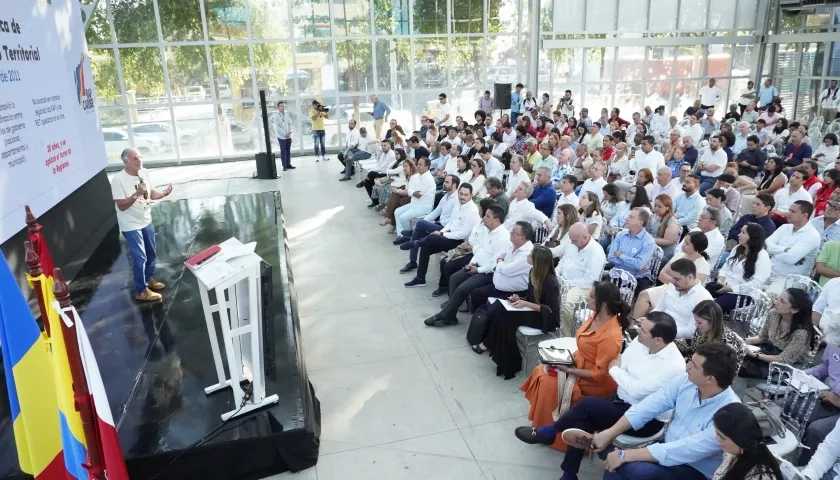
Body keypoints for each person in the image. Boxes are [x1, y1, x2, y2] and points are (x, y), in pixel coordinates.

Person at [514, 312, 684, 479]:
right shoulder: (641, 342)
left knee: (587, 405)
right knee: (582, 422)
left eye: (643, 330)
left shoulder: (674, 366)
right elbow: (621, 364)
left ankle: (550, 432)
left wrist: (616, 371)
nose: (637, 330)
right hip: (620, 401)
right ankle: (569, 474)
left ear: (658, 340)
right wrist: (622, 375)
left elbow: (631, 386)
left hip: (646, 420)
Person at [584, 342, 740, 480]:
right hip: (667, 447)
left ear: (710, 379)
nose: (687, 365)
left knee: (632, 468)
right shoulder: (687, 381)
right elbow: (650, 405)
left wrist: (624, 455)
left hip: (694, 468)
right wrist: (610, 433)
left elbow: (683, 450)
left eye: (694, 365)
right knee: (614, 464)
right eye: (691, 359)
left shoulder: (730, 413)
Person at [518, 282, 629, 452]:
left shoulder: (611, 335)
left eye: (591, 297)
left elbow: (598, 374)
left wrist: (569, 370)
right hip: (577, 364)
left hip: (593, 383)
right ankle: (542, 426)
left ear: (604, 304)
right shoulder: (596, 316)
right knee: (541, 371)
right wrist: (563, 359)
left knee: (548, 383)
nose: (587, 298)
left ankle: (551, 435)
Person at [477, 246, 560, 379]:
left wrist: (526, 304)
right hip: (533, 309)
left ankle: (508, 360)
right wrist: (519, 298)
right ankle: (500, 352)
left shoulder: (549, 282)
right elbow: (532, 296)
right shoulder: (533, 271)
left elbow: (550, 310)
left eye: (530, 256)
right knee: (501, 308)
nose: (527, 257)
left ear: (537, 261)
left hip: (545, 318)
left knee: (507, 316)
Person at [111, 148, 173, 302]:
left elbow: (151, 194)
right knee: (140, 257)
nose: (139, 161)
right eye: (135, 159)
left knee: (151, 253)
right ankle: (141, 290)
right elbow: (121, 206)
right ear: (126, 162)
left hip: (145, 220)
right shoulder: (118, 180)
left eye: (140, 157)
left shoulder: (144, 173)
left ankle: (148, 279)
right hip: (130, 225)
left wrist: (165, 193)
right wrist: (136, 194)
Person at [740, 288, 818, 378]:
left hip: (785, 366)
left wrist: (754, 355)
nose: (776, 302)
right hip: (769, 351)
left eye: (782, 301)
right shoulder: (774, 313)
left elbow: (783, 360)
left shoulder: (802, 333)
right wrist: (741, 341)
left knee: (737, 366)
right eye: (778, 298)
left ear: (795, 310)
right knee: (731, 356)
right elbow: (762, 337)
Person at [633, 259, 713, 339]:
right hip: (657, 330)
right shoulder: (673, 286)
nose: (672, 281)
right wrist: (649, 319)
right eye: (672, 278)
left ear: (690, 277)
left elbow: (691, 332)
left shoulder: (703, 298)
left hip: (675, 339)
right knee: (631, 333)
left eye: (677, 279)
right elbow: (659, 308)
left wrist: (660, 330)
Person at [796, 318, 840, 466]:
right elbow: (824, 368)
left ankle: (809, 468)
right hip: (829, 396)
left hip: (836, 401)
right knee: (791, 406)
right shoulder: (835, 340)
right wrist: (800, 374)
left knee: (816, 431)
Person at [432, 199, 495, 296]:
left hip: (473, 253)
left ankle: (452, 294)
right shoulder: (479, 221)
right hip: (466, 247)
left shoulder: (487, 227)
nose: (478, 209)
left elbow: (481, 245)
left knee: (449, 266)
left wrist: (470, 246)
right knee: (444, 261)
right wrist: (467, 242)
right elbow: (472, 235)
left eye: (480, 207)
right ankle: (444, 286)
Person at [708, 223, 772, 313]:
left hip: (744, 293)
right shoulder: (738, 248)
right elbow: (725, 267)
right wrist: (720, 280)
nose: (739, 235)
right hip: (726, 285)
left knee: (714, 307)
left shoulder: (762, 257)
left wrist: (732, 289)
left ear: (753, 236)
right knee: (704, 292)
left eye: (743, 232)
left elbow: (756, 283)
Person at [556, 222, 607, 334]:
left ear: (585, 237)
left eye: (574, 240)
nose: (571, 242)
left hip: (583, 287)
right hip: (564, 280)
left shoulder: (596, 252)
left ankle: (567, 334)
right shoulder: (573, 242)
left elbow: (589, 281)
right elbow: (563, 261)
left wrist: (566, 283)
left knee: (566, 302)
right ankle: (551, 324)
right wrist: (555, 274)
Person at [710, 403, 784, 480]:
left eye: (722, 437)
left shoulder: (759, 476)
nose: (717, 438)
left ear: (739, 439)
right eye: (717, 434)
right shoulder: (733, 452)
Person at [765, 200, 821, 293]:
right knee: (743, 288)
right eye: (789, 210)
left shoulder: (812, 235)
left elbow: (790, 259)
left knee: (767, 298)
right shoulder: (785, 227)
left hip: (790, 280)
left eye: (793, 212)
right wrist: (785, 250)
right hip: (768, 272)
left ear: (805, 215)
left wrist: (773, 253)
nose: (788, 213)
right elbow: (765, 245)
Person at [676, 300, 747, 370]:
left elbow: (722, 371)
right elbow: (693, 351)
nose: (696, 325)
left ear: (712, 321)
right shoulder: (701, 331)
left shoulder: (726, 342)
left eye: (699, 322)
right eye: (695, 321)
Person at [399, 174, 460, 248]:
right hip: (440, 224)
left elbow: (452, 221)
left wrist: (436, 222)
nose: (444, 183)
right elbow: (436, 212)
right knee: (419, 228)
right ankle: (412, 258)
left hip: (446, 229)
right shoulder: (445, 196)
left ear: (454, 185)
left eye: (447, 182)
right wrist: (426, 220)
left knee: (421, 224)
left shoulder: (457, 199)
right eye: (444, 181)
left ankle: (412, 237)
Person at [607, 208, 657, 292]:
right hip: (618, 272)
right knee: (601, 293)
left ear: (640, 222)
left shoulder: (649, 242)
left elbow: (639, 265)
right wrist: (633, 264)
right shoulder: (621, 235)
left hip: (638, 277)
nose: (626, 218)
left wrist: (621, 255)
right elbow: (611, 257)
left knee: (642, 298)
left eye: (631, 217)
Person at [392, 157, 436, 238]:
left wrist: (411, 191)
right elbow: (413, 191)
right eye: (417, 164)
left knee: (403, 217)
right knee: (397, 212)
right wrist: (412, 191)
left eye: (420, 165)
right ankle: (401, 235)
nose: (417, 166)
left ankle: (407, 237)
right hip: (415, 204)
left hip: (423, 207)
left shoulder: (428, 179)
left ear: (426, 167)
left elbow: (417, 195)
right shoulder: (418, 176)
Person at [648, 194, 681, 262]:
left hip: (662, 253)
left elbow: (668, 241)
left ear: (667, 208)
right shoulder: (653, 216)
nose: (656, 208)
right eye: (655, 206)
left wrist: (649, 240)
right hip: (652, 247)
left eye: (659, 206)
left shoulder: (672, 222)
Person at [272, 101, 295, 171]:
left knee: (288, 151)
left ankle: (288, 164)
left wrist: (289, 132)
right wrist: (284, 134)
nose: (283, 107)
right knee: (283, 151)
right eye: (281, 106)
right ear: (278, 107)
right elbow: (277, 127)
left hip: (288, 135)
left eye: (283, 106)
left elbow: (290, 123)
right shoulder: (276, 116)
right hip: (281, 137)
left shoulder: (287, 114)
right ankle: (284, 165)